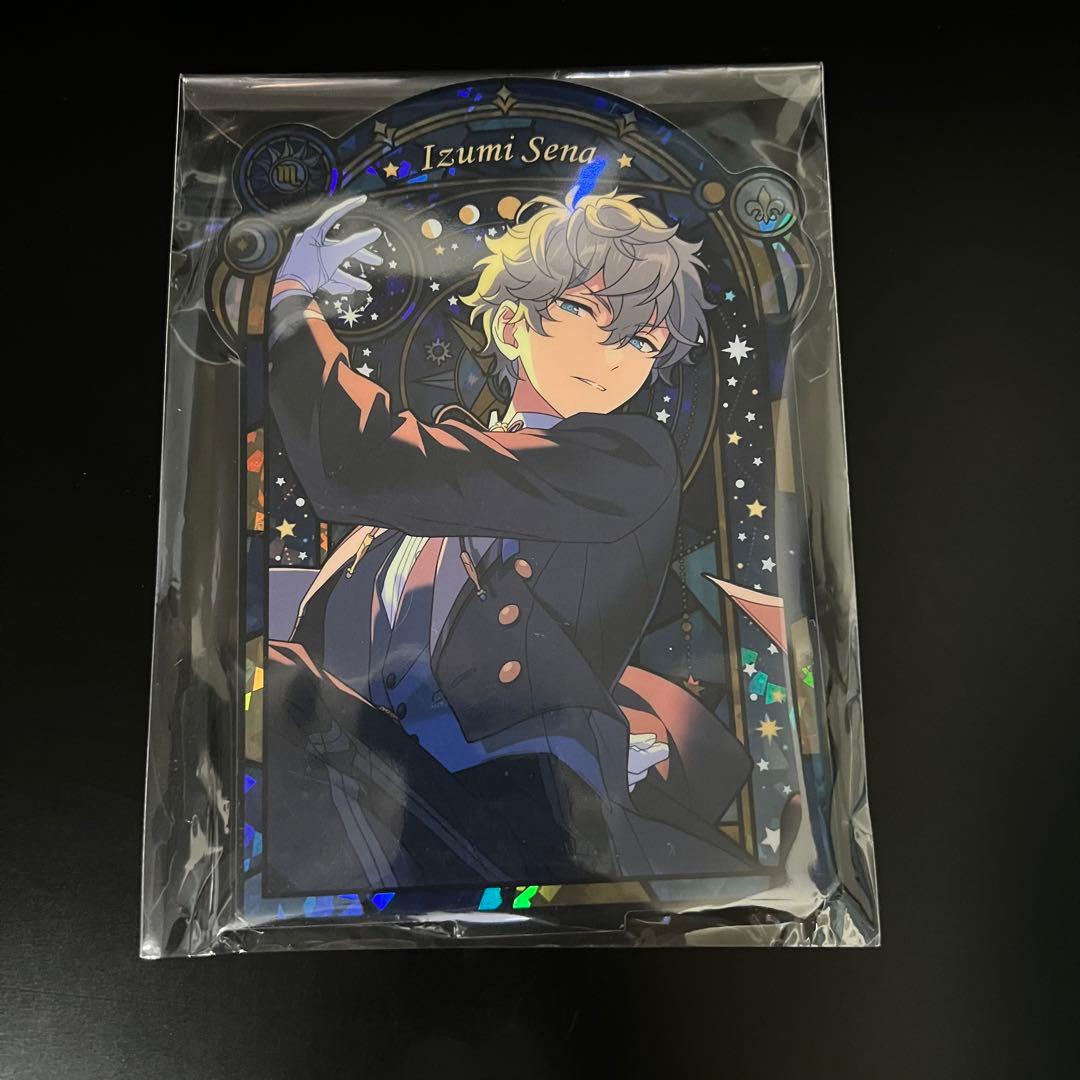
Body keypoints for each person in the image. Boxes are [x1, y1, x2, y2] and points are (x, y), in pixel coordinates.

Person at [263, 191, 753, 895]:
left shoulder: (627, 462)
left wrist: (292, 307)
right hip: (385, 787)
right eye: (585, 311)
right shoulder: (440, 485)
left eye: (643, 342)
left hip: (522, 800)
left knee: (280, 692)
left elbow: (356, 462)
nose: (615, 356)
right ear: (513, 324)